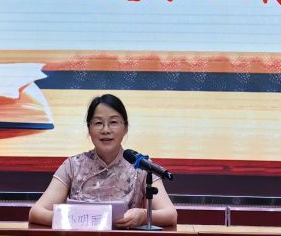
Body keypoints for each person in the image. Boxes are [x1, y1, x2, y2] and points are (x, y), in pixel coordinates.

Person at [28, 93, 177, 228]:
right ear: (89, 129)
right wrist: (70, 218)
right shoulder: (73, 165)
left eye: (113, 122)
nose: (106, 130)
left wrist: (143, 216)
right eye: (98, 123)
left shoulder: (141, 166)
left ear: (125, 128)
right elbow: (36, 212)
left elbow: (170, 214)